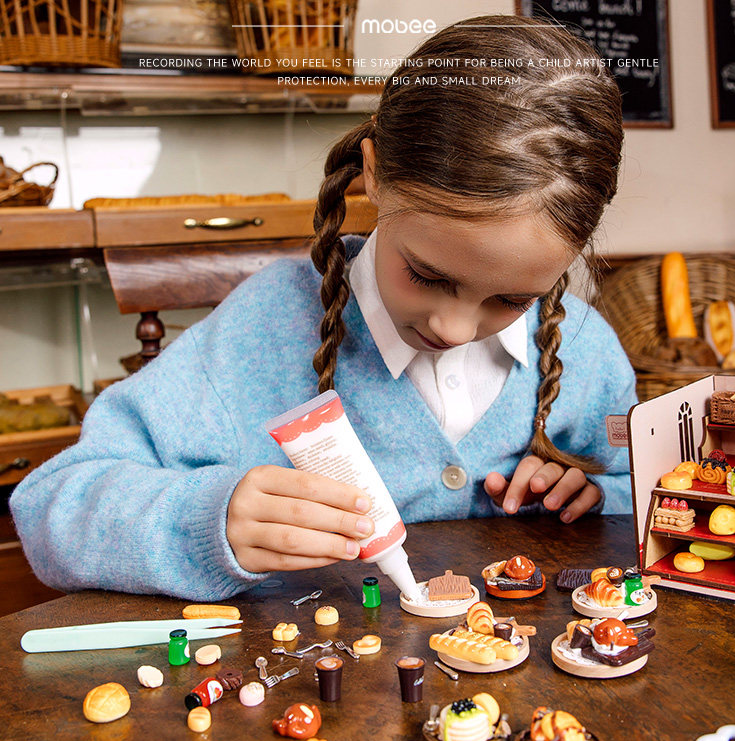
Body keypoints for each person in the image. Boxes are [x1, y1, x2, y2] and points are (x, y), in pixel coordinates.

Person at [11, 15, 637, 600]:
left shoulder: (585, 352)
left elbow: (654, 497)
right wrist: (210, 521)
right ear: (375, 175)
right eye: (424, 275)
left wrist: (594, 496)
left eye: (511, 299)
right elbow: (49, 508)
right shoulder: (261, 333)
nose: (451, 329)